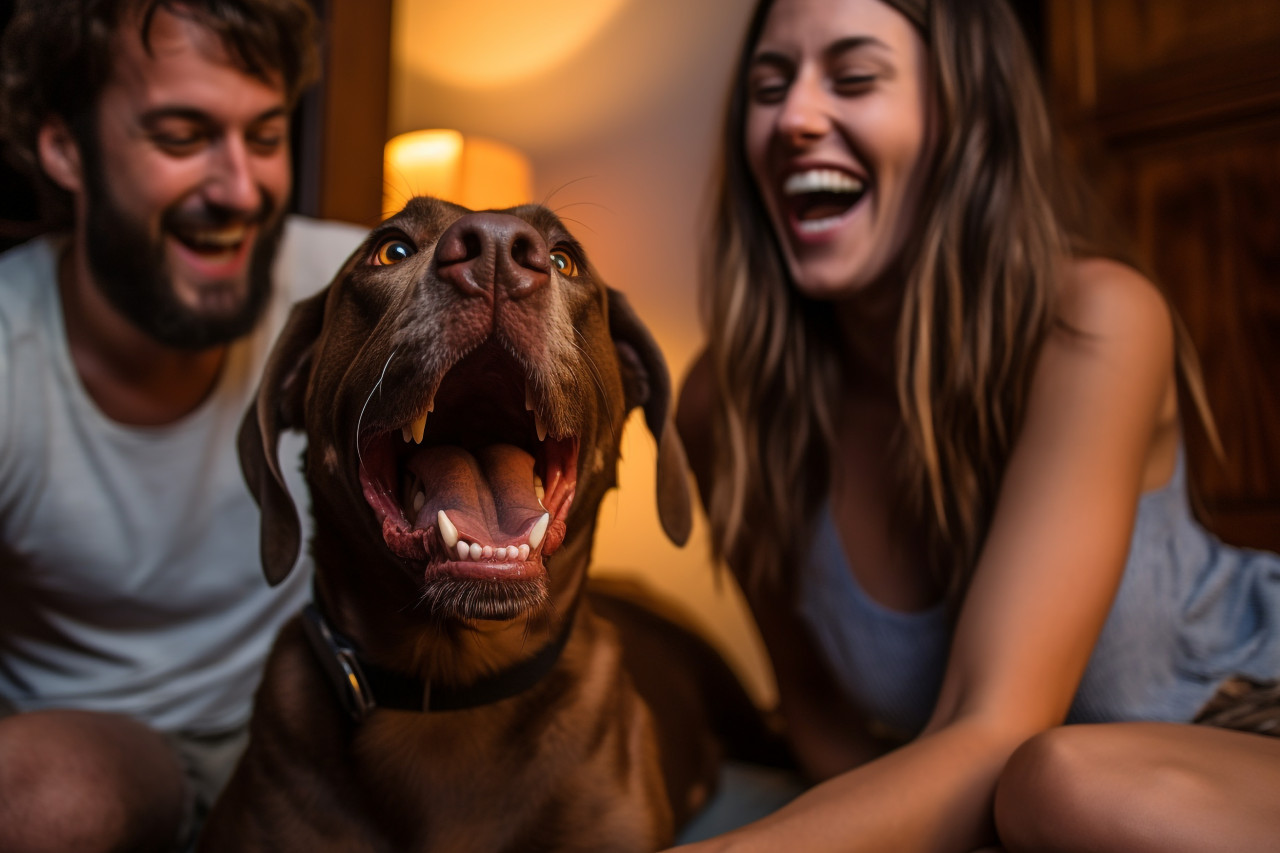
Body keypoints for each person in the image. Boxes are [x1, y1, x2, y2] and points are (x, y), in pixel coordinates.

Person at [673, 0, 1280, 850]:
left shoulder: (1097, 321)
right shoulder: (721, 405)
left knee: (1058, 781)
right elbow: (821, 724)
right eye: (768, 88)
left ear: (963, 116)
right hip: (1043, 806)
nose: (795, 119)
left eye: (853, 78)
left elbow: (994, 732)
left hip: (1247, 711)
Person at [0, 2, 365, 850]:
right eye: (180, 136)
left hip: (331, 735)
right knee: (47, 797)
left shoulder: (355, 298)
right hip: (114, 752)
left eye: (266, 137)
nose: (241, 189)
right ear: (65, 149)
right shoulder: (12, 353)